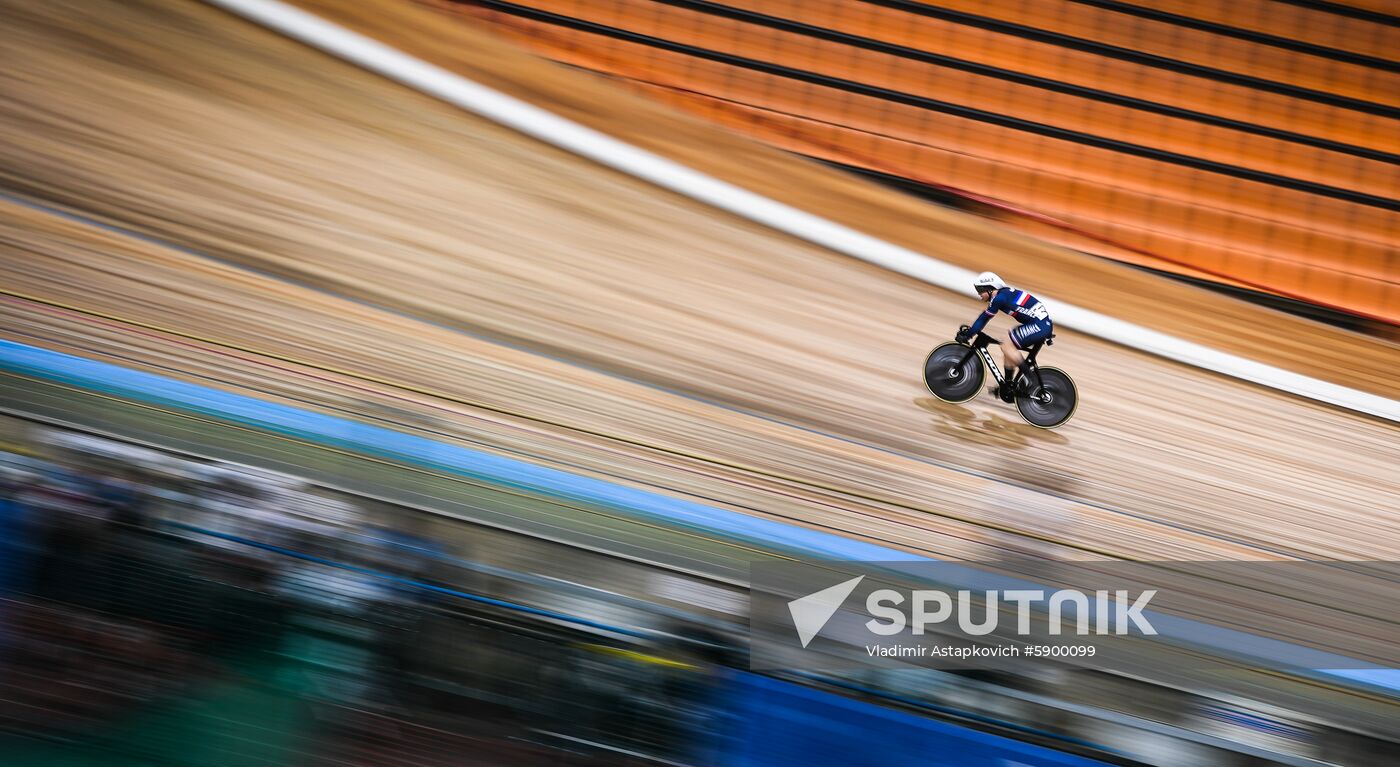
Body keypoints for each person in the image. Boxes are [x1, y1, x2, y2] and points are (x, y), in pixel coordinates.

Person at [955, 272, 1053, 398]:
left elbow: (983, 318)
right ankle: (1008, 386)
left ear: (990, 289)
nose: (979, 294)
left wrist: (968, 335)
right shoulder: (1004, 294)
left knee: (1006, 345)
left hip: (1040, 325)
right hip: (1041, 324)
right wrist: (970, 333)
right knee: (1007, 342)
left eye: (980, 290)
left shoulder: (999, 298)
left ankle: (1031, 379)